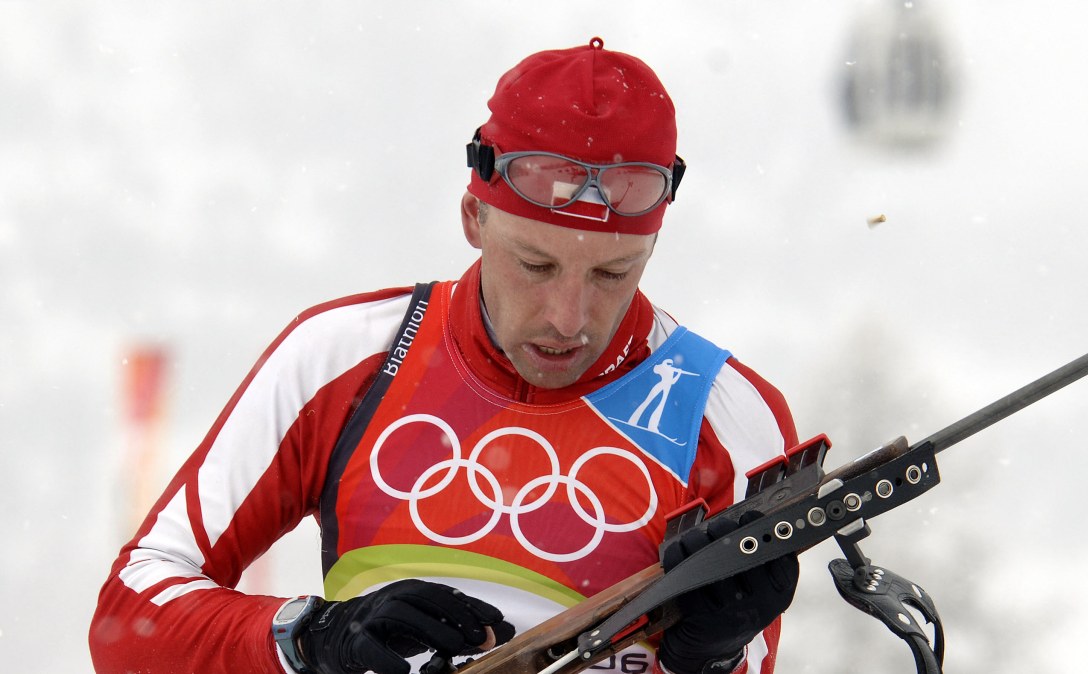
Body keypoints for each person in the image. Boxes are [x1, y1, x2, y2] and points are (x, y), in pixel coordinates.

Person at [89, 37, 800, 674]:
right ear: (473, 219)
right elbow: (129, 619)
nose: (569, 318)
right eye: (535, 264)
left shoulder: (728, 415)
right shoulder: (344, 357)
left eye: (614, 274)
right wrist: (311, 636)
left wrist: (712, 656)